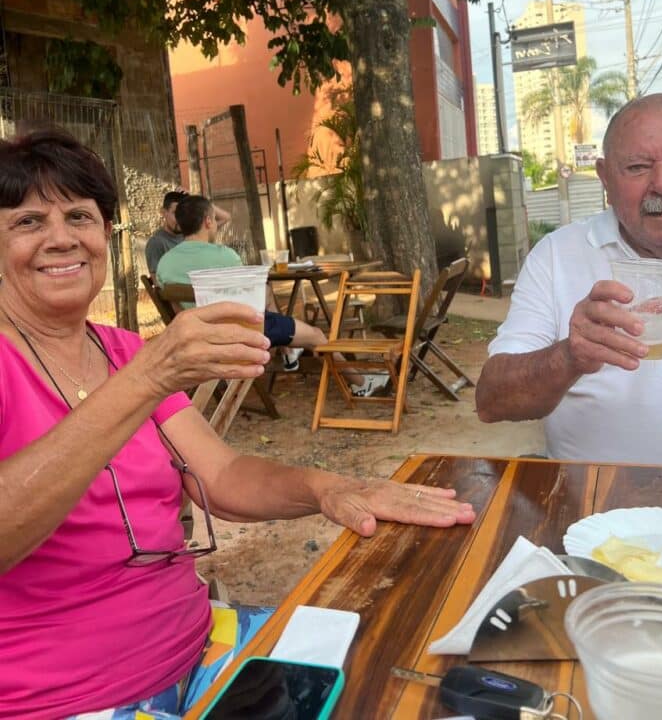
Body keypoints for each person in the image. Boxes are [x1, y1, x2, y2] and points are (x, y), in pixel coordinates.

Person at [0, 129, 476, 720]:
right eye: (28, 222)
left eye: (80, 215)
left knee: (417, 677)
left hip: (205, 648)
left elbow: (221, 475)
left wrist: (330, 488)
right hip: (66, 699)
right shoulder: (107, 367)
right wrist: (147, 379)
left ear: (105, 235)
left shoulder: (122, 350)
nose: (61, 238)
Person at [476, 92, 662, 468]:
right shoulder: (558, 255)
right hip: (591, 508)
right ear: (605, 178)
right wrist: (569, 356)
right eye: (637, 167)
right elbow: (491, 401)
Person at [156, 195, 390, 395]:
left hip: (200, 335)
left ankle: (291, 351)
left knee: (273, 308)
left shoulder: (165, 264)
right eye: (213, 220)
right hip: (242, 332)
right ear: (208, 221)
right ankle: (361, 384)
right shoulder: (225, 256)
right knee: (317, 334)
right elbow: (250, 304)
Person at [145, 189, 230, 277]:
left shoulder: (193, 233)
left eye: (183, 213)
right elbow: (157, 282)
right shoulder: (156, 243)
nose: (180, 218)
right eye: (175, 213)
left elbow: (225, 218)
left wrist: (196, 200)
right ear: (163, 212)